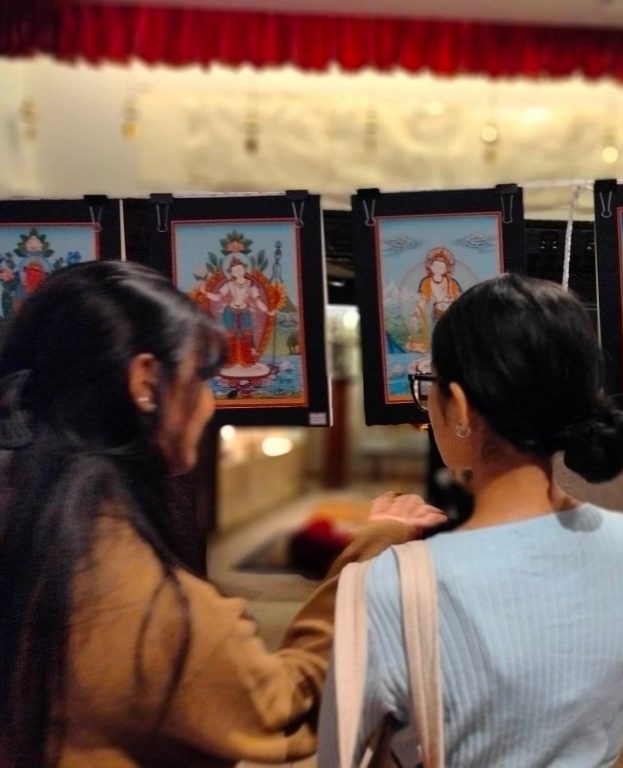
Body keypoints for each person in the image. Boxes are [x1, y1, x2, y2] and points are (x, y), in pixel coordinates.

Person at [0, 261, 438, 768]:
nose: (209, 406)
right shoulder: (142, 599)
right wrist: (372, 549)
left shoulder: (39, 533)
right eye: (201, 378)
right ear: (146, 380)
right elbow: (278, 711)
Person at [318, 274, 623, 767]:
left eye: (429, 384)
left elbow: (336, 756)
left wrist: (367, 551)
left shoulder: (393, 584)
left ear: (457, 405)